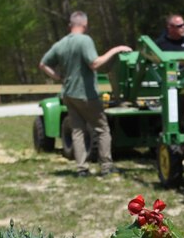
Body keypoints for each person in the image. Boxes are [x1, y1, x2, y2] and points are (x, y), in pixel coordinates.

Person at [39, 11, 131, 177]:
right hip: (86, 94)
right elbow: (94, 63)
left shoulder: (60, 44)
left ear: (70, 25)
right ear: (85, 25)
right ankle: (106, 166)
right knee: (102, 129)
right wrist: (115, 50)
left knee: (77, 131)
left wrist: (58, 77)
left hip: (68, 93)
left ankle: (82, 168)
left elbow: (43, 64)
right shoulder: (85, 40)